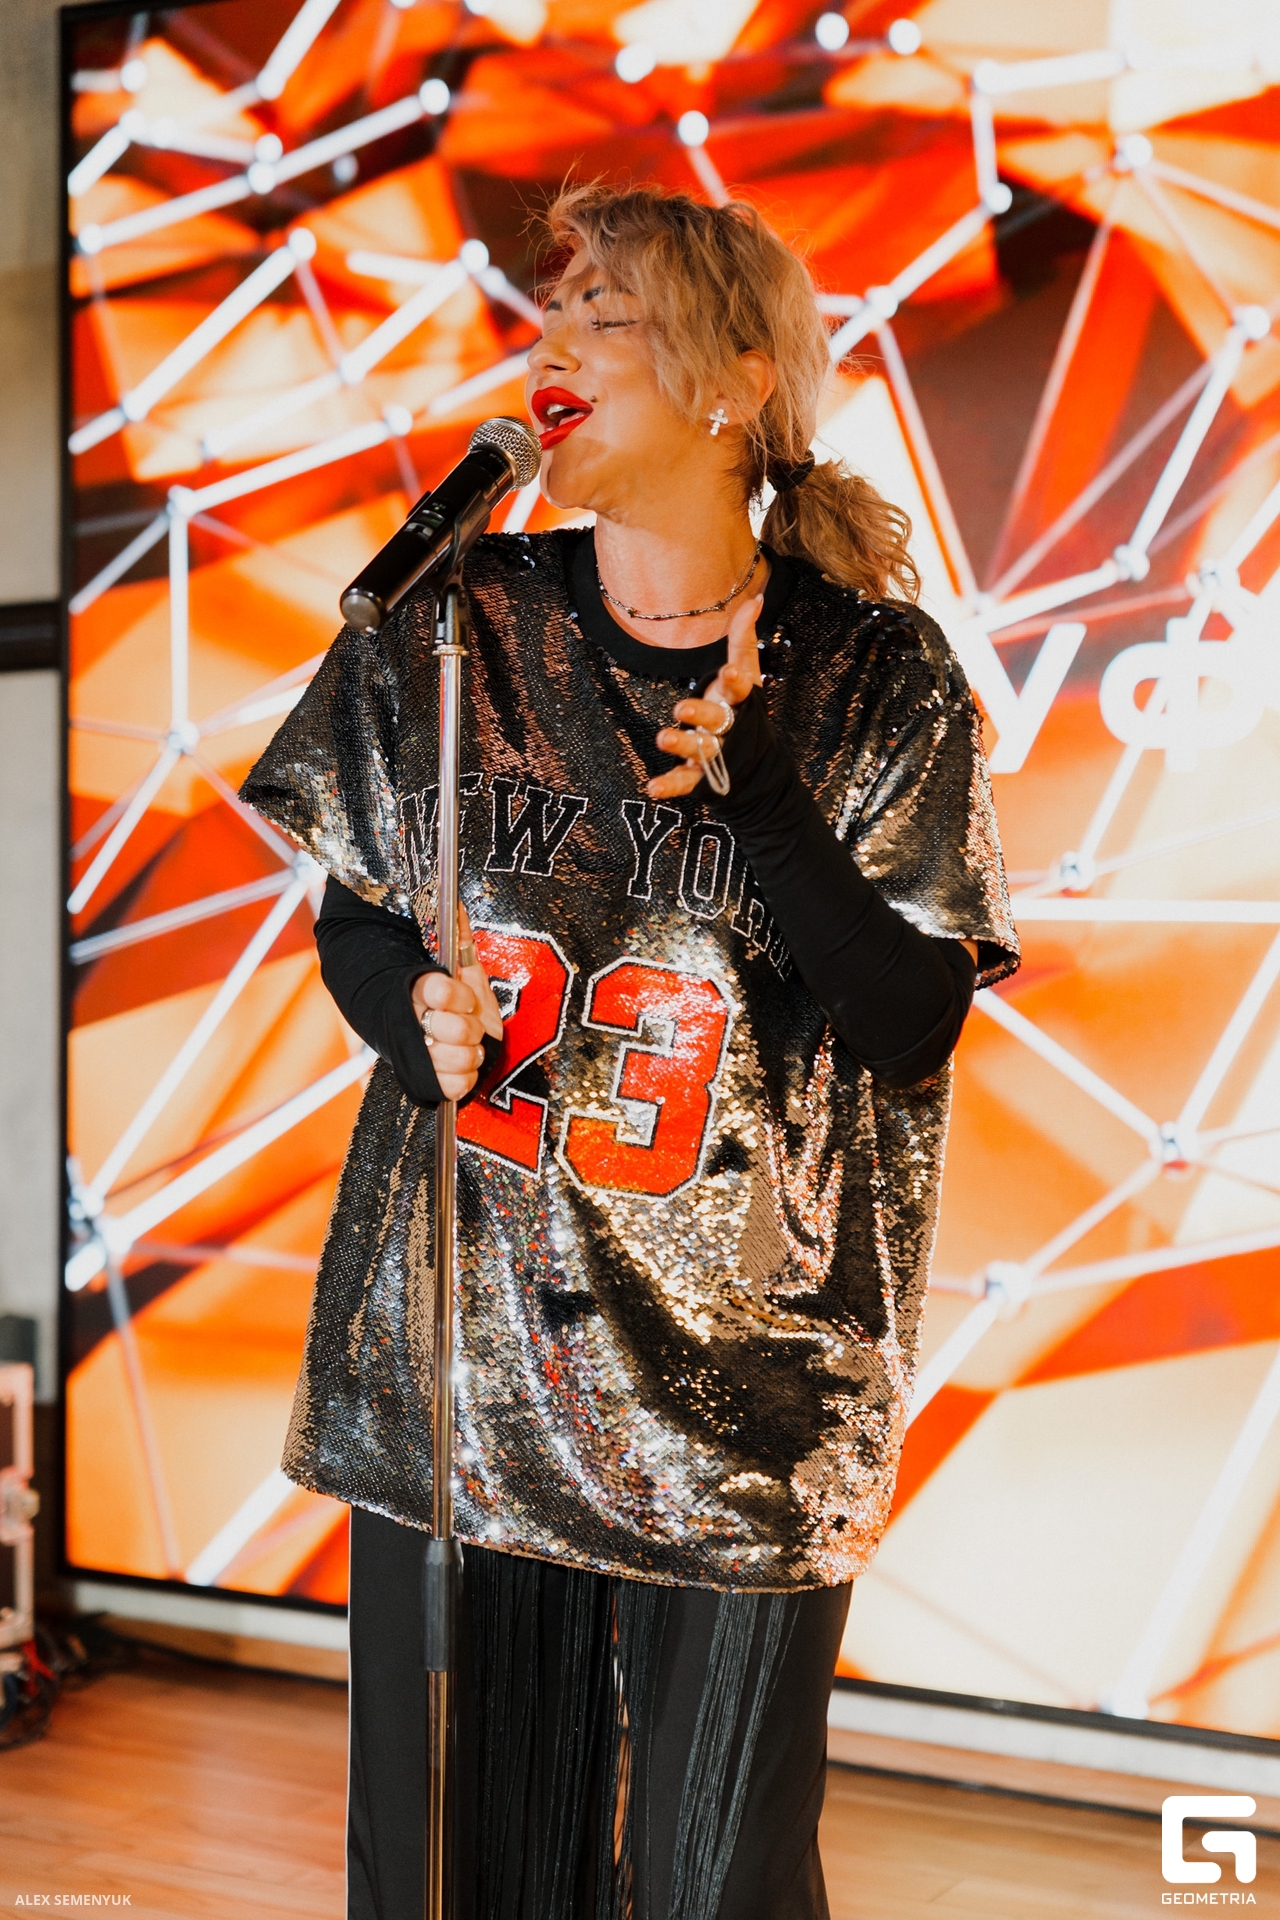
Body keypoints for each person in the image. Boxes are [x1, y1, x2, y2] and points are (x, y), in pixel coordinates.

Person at [242, 182, 1018, 1920]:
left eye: (609, 316)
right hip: (464, 1368)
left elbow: (910, 1022)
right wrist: (411, 1010)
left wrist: (764, 801)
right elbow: (361, 916)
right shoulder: (457, 621)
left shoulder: (873, 674)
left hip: (740, 1404)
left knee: (705, 1878)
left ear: (736, 382)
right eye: (555, 314)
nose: (557, 346)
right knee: (450, 1870)